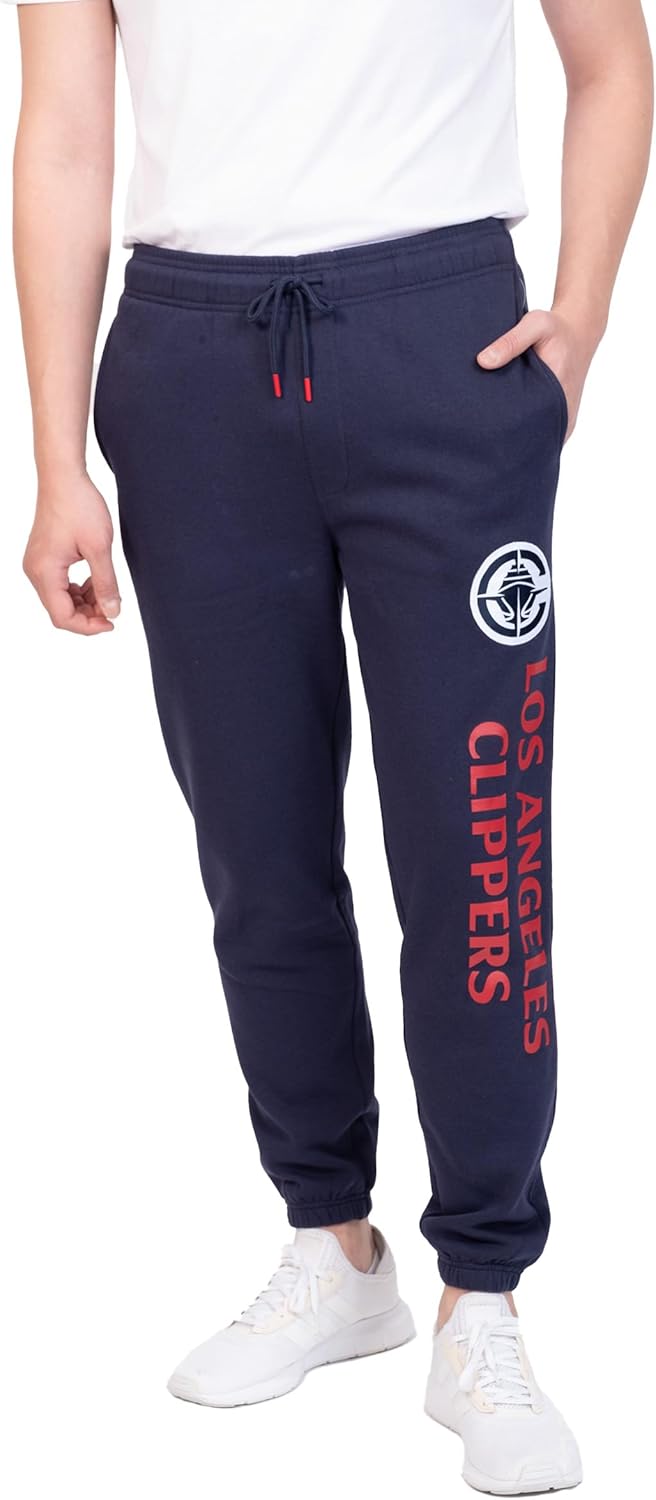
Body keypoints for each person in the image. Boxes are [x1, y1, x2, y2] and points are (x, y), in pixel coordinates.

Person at [4, 0, 652, 1491]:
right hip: (189, 369)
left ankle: (483, 1293)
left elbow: (613, 60)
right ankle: (333, 1243)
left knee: (479, 846)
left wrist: (582, 318)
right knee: (258, 845)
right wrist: (54, 457)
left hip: (444, 346)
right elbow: (65, 137)